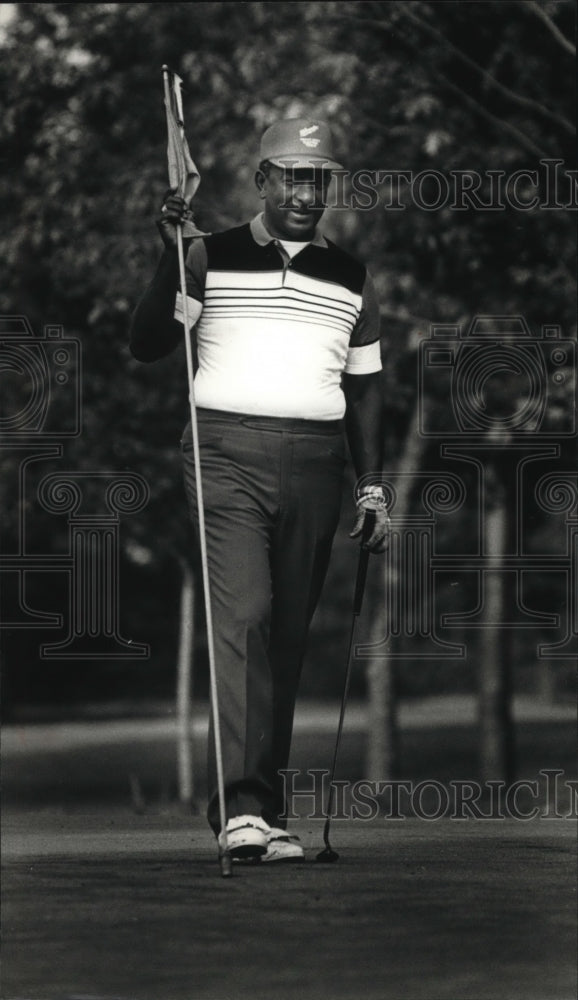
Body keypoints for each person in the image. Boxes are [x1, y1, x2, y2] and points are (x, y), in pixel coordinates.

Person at [129, 118, 389, 863]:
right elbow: (147, 343)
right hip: (225, 452)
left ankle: (265, 815)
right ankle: (240, 809)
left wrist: (374, 489)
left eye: (319, 178)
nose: (307, 192)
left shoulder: (352, 276)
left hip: (317, 463)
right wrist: (168, 261)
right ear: (262, 181)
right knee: (244, 614)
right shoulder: (209, 254)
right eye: (292, 176)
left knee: (285, 638)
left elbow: (366, 391)